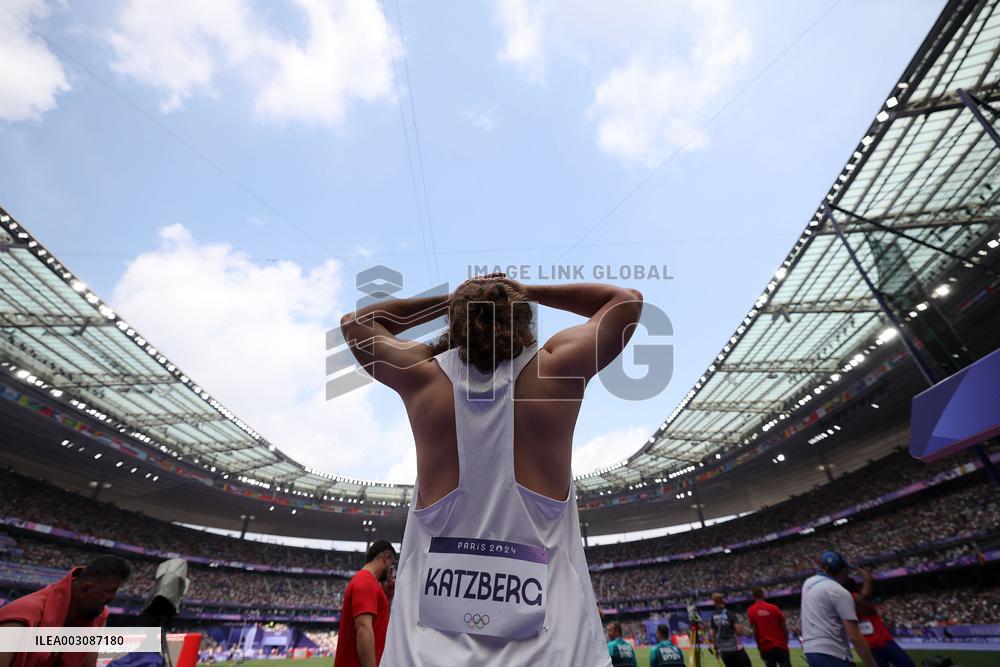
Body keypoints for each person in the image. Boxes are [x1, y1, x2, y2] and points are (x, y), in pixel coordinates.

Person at [341, 274, 642, 665]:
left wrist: (454, 301)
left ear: (456, 321)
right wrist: (526, 291)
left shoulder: (422, 378)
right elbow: (626, 301)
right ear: (521, 318)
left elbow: (354, 324)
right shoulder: (555, 369)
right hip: (554, 651)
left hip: (426, 652)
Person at [0, 555, 131, 667]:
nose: (113, 598)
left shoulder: (97, 615)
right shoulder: (21, 619)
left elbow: (87, 664)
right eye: (110, 591)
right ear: (86, 589)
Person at [800, 551, 876, 667]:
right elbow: (854, 636)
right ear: (842, 570)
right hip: (833, 652)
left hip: (811, 650)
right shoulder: (840, 592)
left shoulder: (808, 583)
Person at [334, 541, 396, 667]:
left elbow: (378, 624)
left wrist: (388, 597)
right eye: (392, 564)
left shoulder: (368, 582)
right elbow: (363, 628)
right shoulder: (366, 581)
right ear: (386, 557)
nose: (391, 570)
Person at [846, 569, 915, 667]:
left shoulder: (846, 603)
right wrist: (858, 568)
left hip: (870, 648)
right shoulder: (860, 598)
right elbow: (868, 579)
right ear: (856, 587)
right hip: (884, 643)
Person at [747, 587, 791, 667]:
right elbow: (784, 627)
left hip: (766, 647)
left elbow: (755, 632)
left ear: (753, 596)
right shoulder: (774, 608)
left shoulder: (751, 610)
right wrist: (785, 641)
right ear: (763, 595)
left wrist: (759, 647)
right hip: (781, 645)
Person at [708, 593, 751, 667]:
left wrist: (715, 647)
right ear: (722, 601)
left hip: (724, 650)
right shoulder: (730, 613)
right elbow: (739, 632)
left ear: (714, 602)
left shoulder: (713, 615)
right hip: (735, 648)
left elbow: (713, 634)